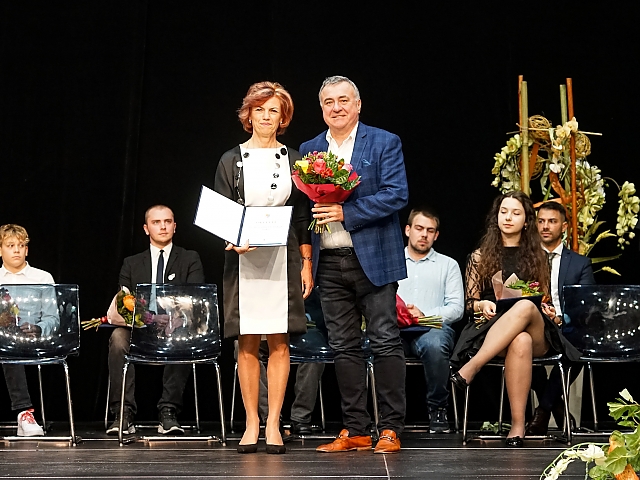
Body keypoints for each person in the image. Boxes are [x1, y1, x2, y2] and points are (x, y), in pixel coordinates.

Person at [300, 75, 408, 454]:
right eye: (328, 102)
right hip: (329, 261)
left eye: (343, 100)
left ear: (358, 105)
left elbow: (397, 194)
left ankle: (390, 428)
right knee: (343, 346)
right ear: (321, 109)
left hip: (374, 259)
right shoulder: (310, 149)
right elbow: (305, 210)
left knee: (384, 341)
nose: (337, 107)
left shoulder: (384, 141)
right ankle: (357, 429)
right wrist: (306, 259)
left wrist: (347, 212)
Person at [214, 81, 312, 455]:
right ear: (249, 114)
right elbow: (222, 211)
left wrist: (306, 262)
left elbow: (301, 216)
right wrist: (233, 237)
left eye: (274, 110)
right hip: (243, 259)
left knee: (280, 341)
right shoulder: (231, 159)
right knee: (247, 341)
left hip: (282, 257)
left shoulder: (295, 159)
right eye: (260, 109)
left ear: (283, 117)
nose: (266, 117)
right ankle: (252, 423)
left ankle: (273, 423)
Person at [449, 191, 581, 447]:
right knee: (520, 340)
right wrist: (482, 304)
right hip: (493, 328)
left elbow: (544, 299)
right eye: (504, 212)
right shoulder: (479, 256)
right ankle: (518, 426)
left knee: (525, 306)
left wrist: (549, 311)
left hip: (536, 328)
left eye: (516, 213)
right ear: (496, 217)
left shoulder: (538, 256)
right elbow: (469, 304)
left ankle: (472, 367)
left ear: (526, 220)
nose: (508, 217)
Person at [106, 205, 204, 435]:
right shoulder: (131, 263)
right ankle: (123, 413)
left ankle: (168, 411)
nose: (163, 226)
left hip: (175, 327)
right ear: (146, 228)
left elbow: (195, 298)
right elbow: (123, 300)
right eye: (156, 222)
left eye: (167, 222)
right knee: (118, 338)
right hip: (139, 329)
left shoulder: (189, 258)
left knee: (182, 336)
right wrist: (147, 319)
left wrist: (176, 320)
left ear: (175, 226)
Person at [526, 201, 595, 435]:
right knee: (520, 342)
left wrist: (559, 317)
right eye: (541, 221)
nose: (545, 226)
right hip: (532, 325)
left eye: (552, 221)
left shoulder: (579, 263)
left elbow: (586, 306)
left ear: (564, 227)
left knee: (580, 341)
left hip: (564, 326)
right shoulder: (525, 259)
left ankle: (543, 410)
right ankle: (556, 406)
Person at [397, 208, 464, 433]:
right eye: (419, 228)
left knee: (435, 345)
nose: (424, 234)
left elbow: (457, 308)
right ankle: (388, 414)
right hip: (396, 328)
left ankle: (438, 408)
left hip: (432, 327)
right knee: (382, 345)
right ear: (408, 230)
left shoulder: (448, 265)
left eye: (430, 230)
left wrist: (425, 316)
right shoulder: (392, 261)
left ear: (436, 235)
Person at [0, 224, 59, 436]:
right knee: (6, 339)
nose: (16, 250)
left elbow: (53, 318)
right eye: (10, 245)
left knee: (10, 342)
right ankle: (24, 412)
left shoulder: (43, 278)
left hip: (32, 340)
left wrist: (39, 329)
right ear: (0, 250)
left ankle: (25, 413)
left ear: (27, 250)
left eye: (21, 245)